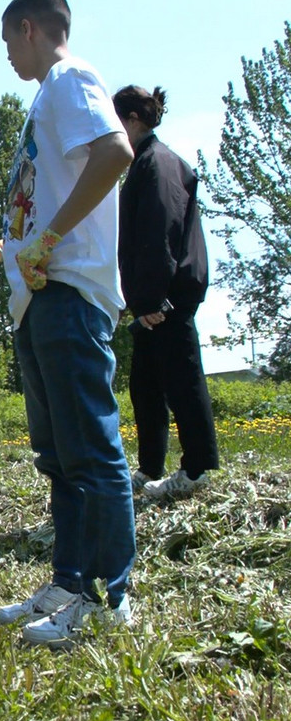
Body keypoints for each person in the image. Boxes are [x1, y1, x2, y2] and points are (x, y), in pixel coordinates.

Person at [0, 0, 136, 646]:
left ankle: (109, 599)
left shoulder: (69, 77)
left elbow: (116, 153)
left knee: (90, 453)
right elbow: (42, 211)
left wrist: (49, 241)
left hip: (67, 295)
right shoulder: (46, 100)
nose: (6, 53)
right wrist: (4, 248)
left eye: (7, 40)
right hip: (39, 295)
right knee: (59, 459)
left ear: (28, 28)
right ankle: (69, 582)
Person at [112, 85, 219, 499]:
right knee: (146, 388)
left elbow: (161, 233)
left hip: (167, 299)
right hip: (152, 300)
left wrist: (153, 299)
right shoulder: (146, 164)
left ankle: (195, 470)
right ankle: (149, 469)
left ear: (132, 120)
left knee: (182, 382)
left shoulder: (158, 164)